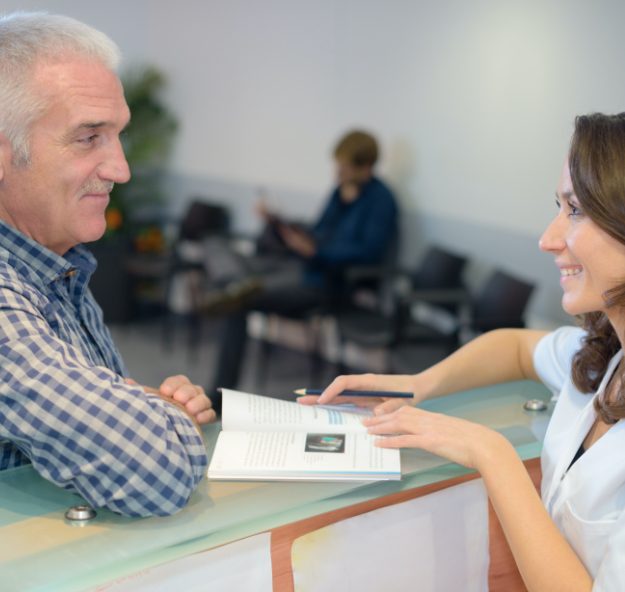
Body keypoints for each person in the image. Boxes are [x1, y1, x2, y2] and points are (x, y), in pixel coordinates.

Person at [300, 113, 625, 589]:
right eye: (558, 206)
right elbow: (515, 347)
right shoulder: (604, 356)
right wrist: (417, 385)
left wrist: (490, 452)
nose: (547, 239)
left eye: (575, 210)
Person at [0, 12, 215, 518]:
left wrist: (138, 406)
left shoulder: (59, 266)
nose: (121, 168)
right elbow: (154, 471)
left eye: (117, 135)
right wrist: (161, 417)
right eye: (88, 137)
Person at [211, 130, 398, 395]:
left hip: (329, 283)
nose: (338, 172)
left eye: (345, 167)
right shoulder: (339, 194)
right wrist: (280, 224)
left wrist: (316, 254)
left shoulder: (382, 201)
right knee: (217, 246)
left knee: (238, 301)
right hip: (303, 267)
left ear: (365, 167)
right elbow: (318, 233)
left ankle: (220, 394)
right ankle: (233, 283)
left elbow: (368, 253)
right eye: (338, 165)